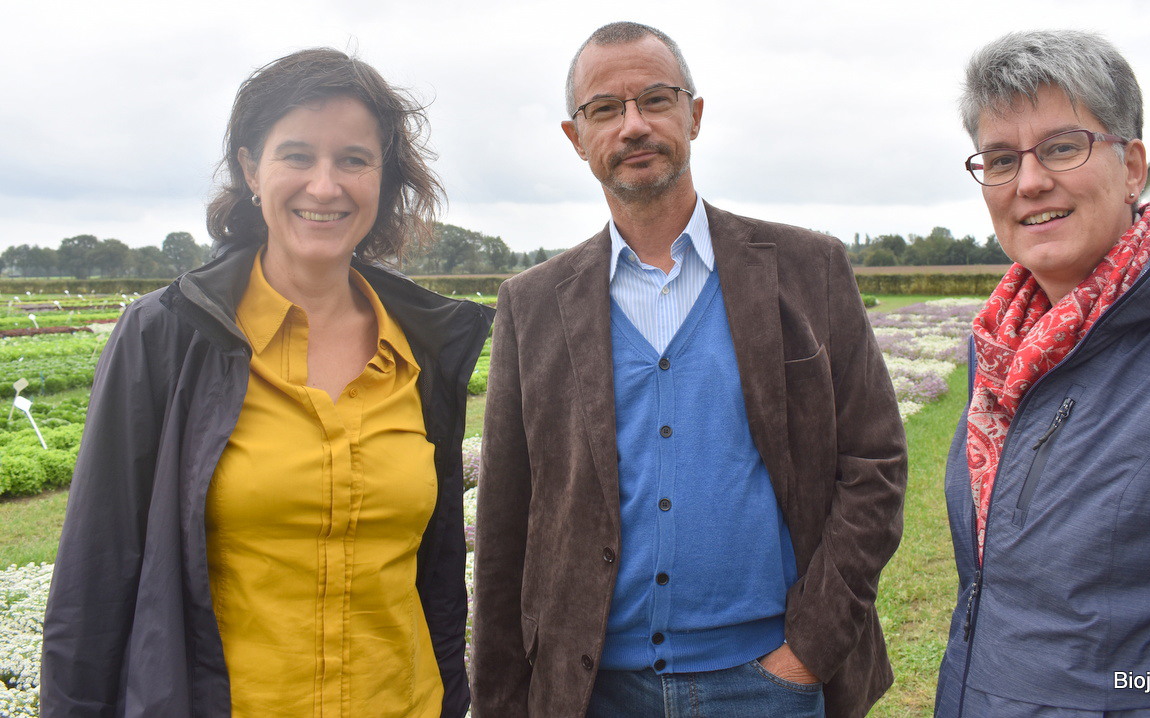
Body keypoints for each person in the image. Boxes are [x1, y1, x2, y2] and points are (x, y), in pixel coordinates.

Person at [471, 21, 907, 718]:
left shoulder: (808, 269)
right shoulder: (532, 304)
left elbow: (874, 463)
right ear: (576, 137)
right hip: (593, 692)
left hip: (768, 684)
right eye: (605, 109)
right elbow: (504, 523)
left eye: (655, 99)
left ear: (694, 115)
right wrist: (501, 701)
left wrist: (808, 652)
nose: (633, 125)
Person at [41, 48, 493, 717]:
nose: (325, 186)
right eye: (297, 155)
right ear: (252, 169)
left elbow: (436, 579)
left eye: (354, 160)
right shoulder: (167, 336)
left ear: (385, 178)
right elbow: (93, 583)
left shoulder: (423, 352)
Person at [936, 30, 1150, 717]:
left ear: (1132, 168)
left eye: (1062, 147)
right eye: (1001, 159)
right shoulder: (1002, 351)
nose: (1029, 182)